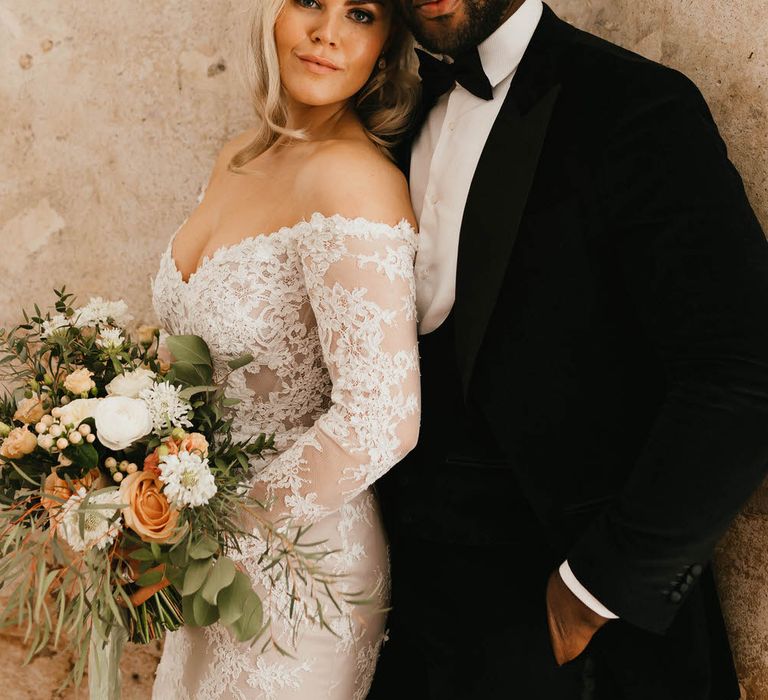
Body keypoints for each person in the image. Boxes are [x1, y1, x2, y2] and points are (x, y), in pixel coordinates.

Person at [370, 0, 768, 698]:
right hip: (406, 623)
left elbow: (743, 368)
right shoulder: (384, 112)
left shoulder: (637, 106)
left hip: (573, 640)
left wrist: (591, 593)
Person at [149, 0, 421, 697]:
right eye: (309, 1)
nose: (328, 32)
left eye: (360, 13)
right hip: (200, 557)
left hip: (301, 570)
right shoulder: (237, 157)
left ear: (387, 45)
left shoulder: (353, 181)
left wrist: (214, 525)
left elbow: (381, 418)